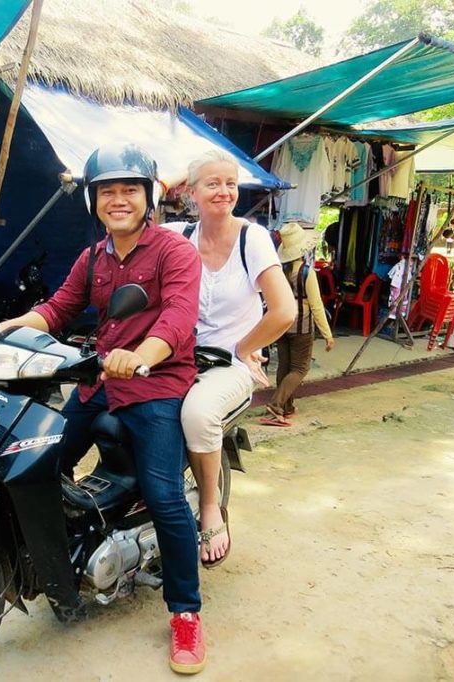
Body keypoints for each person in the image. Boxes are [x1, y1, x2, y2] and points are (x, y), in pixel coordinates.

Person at [0, 144, 207, 674]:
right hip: (98, 378)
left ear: (148, 196)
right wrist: (6, 328)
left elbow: (177, 317)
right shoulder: (93, 257)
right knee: (37, 458)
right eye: (108, 191)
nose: (118, 199)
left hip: (157, 383)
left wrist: (141, 355)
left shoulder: (175, 252)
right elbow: (58, 309)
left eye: (129, 189)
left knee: (166, 495)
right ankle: (63, 562)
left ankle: (186, 613)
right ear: (93, 200)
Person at [162, 149, 296, 568]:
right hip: (177, 359)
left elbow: (284, 311)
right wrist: (179, 173)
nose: (224, 192)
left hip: (230, 366)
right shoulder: (176, 235)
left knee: (198, 415)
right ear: (192, 191)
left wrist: (243, 346)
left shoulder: (251, 238)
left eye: (231, 183)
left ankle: (209, 506)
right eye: (212, 183)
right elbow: (129, 207)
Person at [262, 222, 335, 427]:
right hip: (301, 326)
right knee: (300, 368)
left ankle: (287, 407)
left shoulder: (280, 271)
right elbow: (317, 305)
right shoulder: (306, 272)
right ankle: (276, 404)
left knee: (285, 367)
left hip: (282, 324)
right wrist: (327, 334)